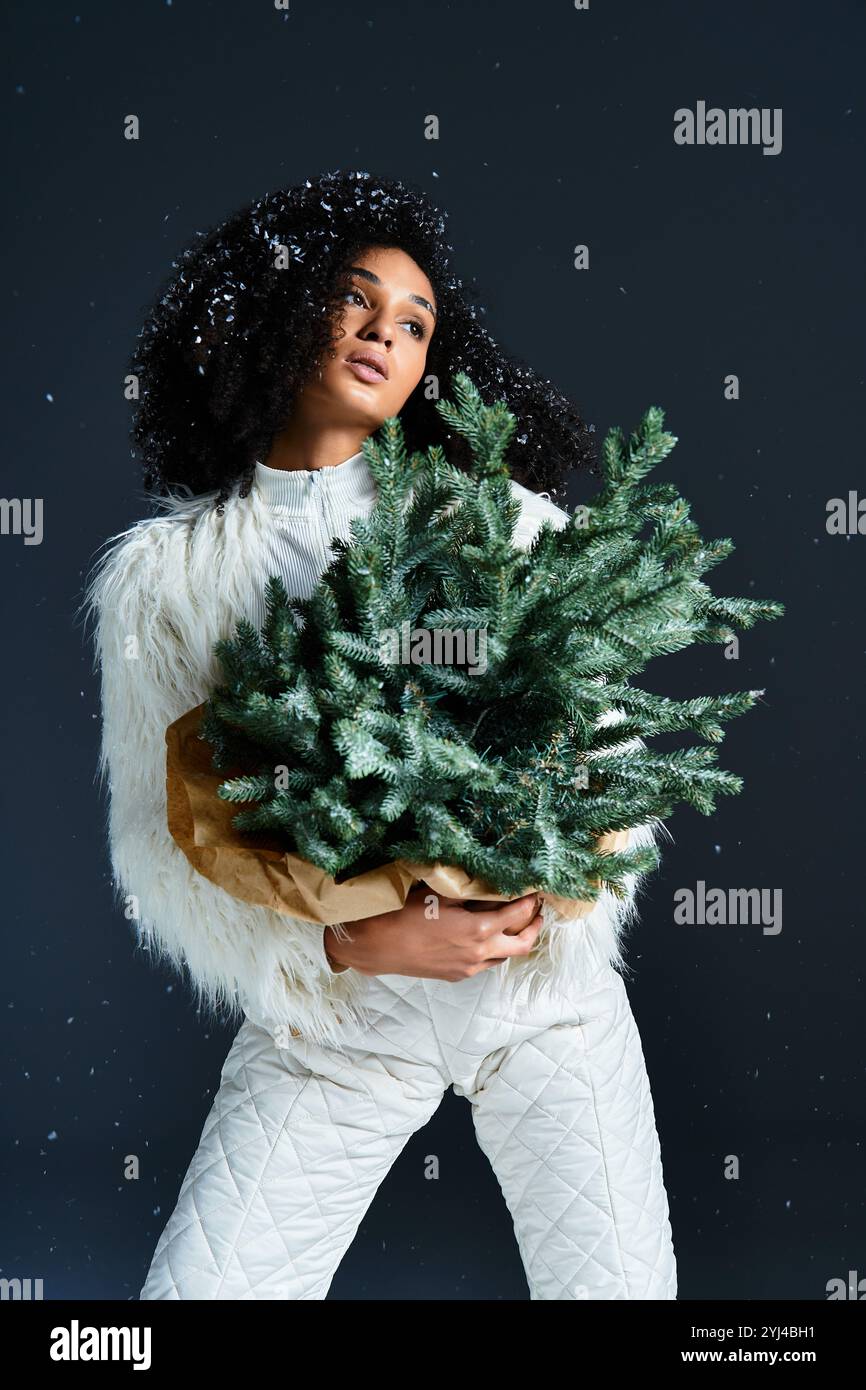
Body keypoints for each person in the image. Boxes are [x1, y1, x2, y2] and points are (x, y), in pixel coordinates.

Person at [81, 169, 677, 1300]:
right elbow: (163, 843)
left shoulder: (494, 519)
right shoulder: (167, 582)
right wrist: (349, 944)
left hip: (537, 993)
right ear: (273, 307)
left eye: (413, 323)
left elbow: (606, 745)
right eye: (352, 299)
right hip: (339, 1016)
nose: (382, 333)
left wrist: (544, 890)